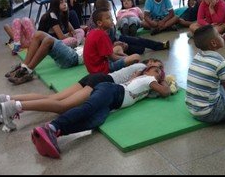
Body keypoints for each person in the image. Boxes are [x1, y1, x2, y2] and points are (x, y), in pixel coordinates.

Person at [31, 60, 171, 159]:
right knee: (88, 109)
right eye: (157, 71)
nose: (159, 74)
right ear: (147, 70)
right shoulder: (148, 79)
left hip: (112, 103)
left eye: (161, 74)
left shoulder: (146, 86)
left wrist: (160, 80)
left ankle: (56, 133)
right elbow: (165, 92)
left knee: (94, 121)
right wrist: (166, 81)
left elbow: (156, 94)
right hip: (112, 91)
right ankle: (52, 127)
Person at [0, 59, 165, 130]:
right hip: (102, 83)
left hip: (97, 78)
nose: (159, 72)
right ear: (149, 66)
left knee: (54, 99)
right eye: (157, 68)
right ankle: (15, 107)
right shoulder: (142, 71)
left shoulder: (141, 72)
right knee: (62, 107)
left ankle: (6, 100)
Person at [88, 0, 169, 55]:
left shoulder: (104, 19)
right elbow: (102, 47)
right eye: (108, 16)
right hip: (112, 45)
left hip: (116, 38)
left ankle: (160, 45)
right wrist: (116, 45)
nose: (111, 18)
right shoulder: (96, 28)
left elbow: (113, 32)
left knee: (138, 40)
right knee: (140, 49)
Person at [4, 31, 81, 85]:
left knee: (48, 41)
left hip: (74, 57)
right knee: (38, 34)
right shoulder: (55, 15)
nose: (65, 6)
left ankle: (27, 71)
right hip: (75, 51)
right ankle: (24, 66)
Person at [84, 9, 141, 74]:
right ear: (99, 23)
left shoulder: (93, 32)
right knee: (136, 57)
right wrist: (127, 57)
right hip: (102, 69)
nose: (112, 20)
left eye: (111, 17)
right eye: (108, 18)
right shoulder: (102, 35)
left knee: (118, 48)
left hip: (94, 68)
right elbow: (113, 58)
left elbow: (107, 53)